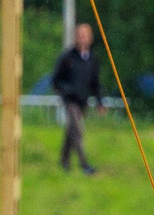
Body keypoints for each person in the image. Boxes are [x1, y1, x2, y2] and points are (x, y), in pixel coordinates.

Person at [52, 22, 102, 176]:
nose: (82, 38)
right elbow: (56, 80)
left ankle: (64, 161)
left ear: (90, 38)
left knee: (71, 131)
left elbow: (95, 83)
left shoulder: (92, 60)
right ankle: (84, 165)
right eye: (79, 35)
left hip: (83, 101)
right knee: (77, 130)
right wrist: (66, 91)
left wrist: (100, 101)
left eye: (85, 35)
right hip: (70, 101)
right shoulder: (67, 57)